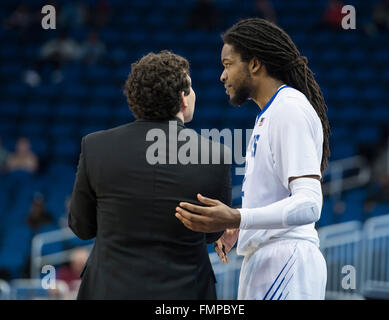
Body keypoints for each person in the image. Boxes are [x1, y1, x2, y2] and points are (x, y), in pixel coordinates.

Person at [175, 18, 331, 300]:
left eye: (227, 64)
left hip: (286, 262)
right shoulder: (270, 113)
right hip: (268, 260)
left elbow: (309, 204)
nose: (222, 76)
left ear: (255, 64)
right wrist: (243, 225)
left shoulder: (289, 109)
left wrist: (238, 215)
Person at [68, 50, 231, 299]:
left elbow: (82, 227)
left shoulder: (95, 147)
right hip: (186, 293)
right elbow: (212, 233)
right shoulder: (215, 154)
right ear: (183, 99)